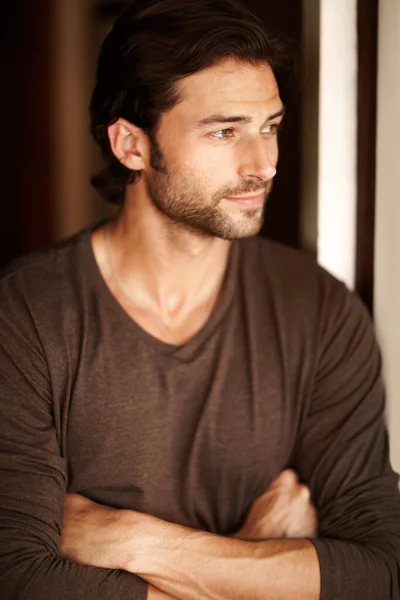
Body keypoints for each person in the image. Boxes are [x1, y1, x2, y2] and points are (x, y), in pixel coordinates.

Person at [0, 0, 399, 598]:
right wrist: (256, 557)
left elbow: (382, 567)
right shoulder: (26, 316)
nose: (262, 164)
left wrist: (133, 539)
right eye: (224, 131)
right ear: (132, 146)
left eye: (270, 127)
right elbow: (19, 576)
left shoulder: (320, 310)